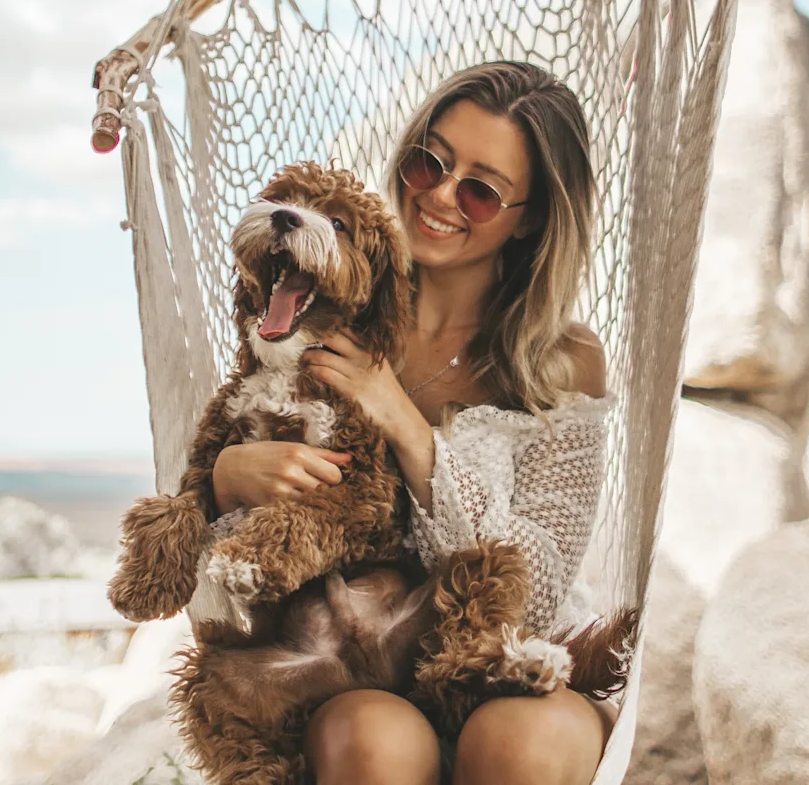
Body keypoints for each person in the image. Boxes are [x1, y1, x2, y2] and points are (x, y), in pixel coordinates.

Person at [211, 61, 613, 785]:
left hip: (510, 661)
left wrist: (405, 424)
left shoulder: (563, 361)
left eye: (481, 192)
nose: (438, 196)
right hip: (352, 669)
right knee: (371, 739)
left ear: (533, 223)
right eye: (430, 160)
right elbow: (245, 489)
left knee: (521, 742)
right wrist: (224, 480)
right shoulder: (324, 303)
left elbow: (540, 584)